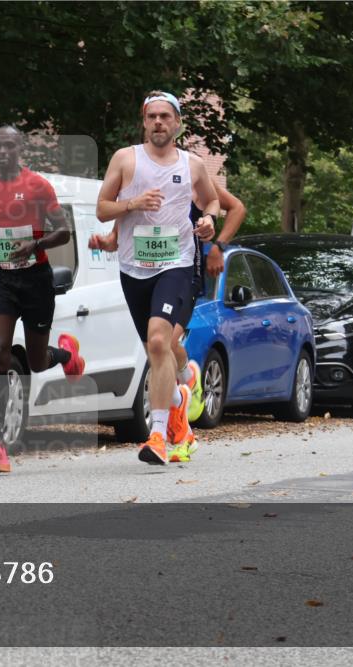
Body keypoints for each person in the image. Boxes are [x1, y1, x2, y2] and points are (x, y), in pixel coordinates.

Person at [89, 91, 219, 465]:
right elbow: (101, 209)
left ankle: (158, 436)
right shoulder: (126, 159)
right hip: (133, 269)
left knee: (159, 340)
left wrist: (209, 220)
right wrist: (131, 204)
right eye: (152, 117)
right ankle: (181, 392)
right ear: (144, 122)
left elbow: (211, 202)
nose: (159, 122)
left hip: (176, 263)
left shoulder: (193, 165)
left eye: (166, 116)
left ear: (177, 123)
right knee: (156, 350)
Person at [0, 125, 87, 474]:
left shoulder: (37, 186)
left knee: (35, 361)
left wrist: (36, 244)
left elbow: (63, 231)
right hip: (0, 278)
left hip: (35, 280)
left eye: (9, 147)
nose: (2, 153)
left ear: (20, 149)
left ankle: (65, 354)